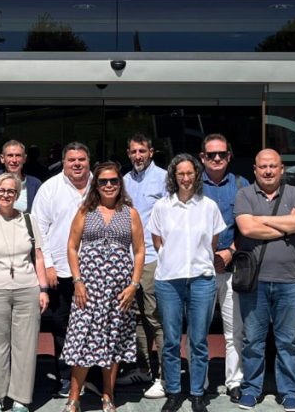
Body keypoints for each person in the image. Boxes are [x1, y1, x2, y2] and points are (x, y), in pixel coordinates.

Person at [60, 161, 145, 412]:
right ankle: (74, 398)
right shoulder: (86, 210)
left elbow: (139, 251)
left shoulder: (130, 213)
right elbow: (72, 247)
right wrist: (77, 281)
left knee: (113, 340)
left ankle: (108, 395)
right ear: (95, 185)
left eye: (114, 181)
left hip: (119, 291)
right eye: (103, 181)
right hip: (88, 289)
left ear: (120, 184)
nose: (109, 185)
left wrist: (133, 285)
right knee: (82, 340)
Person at [234, 149, 295, 412]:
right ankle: (251, 389)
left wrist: (263, 219)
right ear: (255, 169)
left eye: (273, 166)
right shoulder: (244, 194)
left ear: (281, 169)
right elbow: (246, 228)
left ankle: (289, 392)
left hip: (290, 281)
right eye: (263, 166)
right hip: (255, 280)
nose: (268, 171)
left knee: (288, 341)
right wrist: (285, 224)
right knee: (253, 340)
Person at [148, 154, 224, 412]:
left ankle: (197, 393)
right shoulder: (162, 207)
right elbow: (158, 241)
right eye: (180, 173)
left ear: (197, 174)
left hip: (202, 279)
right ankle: (173, 391)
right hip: (169, 280)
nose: (186, 178)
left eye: (190, 172)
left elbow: (212, 244)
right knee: (170, 340)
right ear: (173, 176)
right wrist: (174, 259)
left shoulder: (209, 206)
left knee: (199, 340)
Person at [0, 172, 49, 412]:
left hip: (27, 288)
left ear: (17, 195)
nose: (6, 195)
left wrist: (43, 289)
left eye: (11, 191)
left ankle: (20, 398)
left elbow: (38, 257)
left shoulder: (28, 219)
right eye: (1, 191)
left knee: (25, 345)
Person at [31, 142, 93, 396]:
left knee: (93, 327)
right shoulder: (49, 189)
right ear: (64, 163)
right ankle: (67, 379)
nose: (76, 164)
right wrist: (48, 266)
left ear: (89, 161)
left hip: (95, 272)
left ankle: (93, 377)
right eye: (71, 160)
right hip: (60, 272)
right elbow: (38, 231)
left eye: (81, 159)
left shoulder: (100, 185)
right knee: (62, 328)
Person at [200, 133, 248, 403]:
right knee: (200, 331)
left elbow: (249, 225)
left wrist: (230, 251)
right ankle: (202, 382)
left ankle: (234, 381)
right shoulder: (192, 186)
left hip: (232, 267)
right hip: (202, 271)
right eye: (210, 155)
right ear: (202, 157)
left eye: (221, 154)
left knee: (233, 330)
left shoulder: (242, 185)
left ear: (229, 156)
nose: (216, 159)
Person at [120, 133, 167, 397]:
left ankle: (164, 374)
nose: (138, 156)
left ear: (151, 152)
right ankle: (143, 369)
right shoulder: (124, 181)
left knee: (154, 317)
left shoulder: (163, 179)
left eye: (143, 151)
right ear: (128, 153)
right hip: (127, 259)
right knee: (134, 317)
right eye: (134, 151)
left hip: (152, 258)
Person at [0, 140, 42, 212]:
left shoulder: (34, 184)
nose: (14, 160)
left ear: (24, 159)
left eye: (18, 155)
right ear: (2, 158)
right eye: (10, 155)